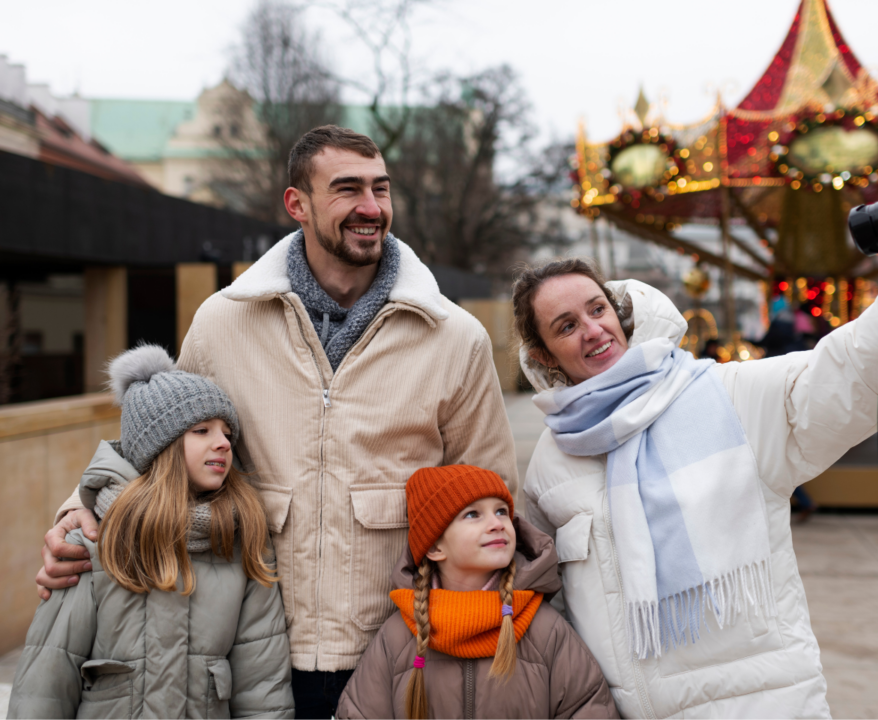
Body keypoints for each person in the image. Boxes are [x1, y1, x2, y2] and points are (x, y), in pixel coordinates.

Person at [36, 125, 517, 718]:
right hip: (249, 653)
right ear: (297, 204)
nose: (371, 208)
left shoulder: (455, 336)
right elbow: (157, 446)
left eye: (381, 189)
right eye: (347, 190)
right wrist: (79, 507)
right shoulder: (223, 320)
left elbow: (494, 490)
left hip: (400, 651)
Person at [511, 187, 878, 719]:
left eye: (597, 309)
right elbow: (549, 610)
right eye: (567, 326)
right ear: (543, 354)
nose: (593, 330)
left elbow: (848, 371)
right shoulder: (550, 460)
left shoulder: (728, 395)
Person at [9, 345, 293, 719]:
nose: (224, 442)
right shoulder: (94, 544)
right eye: (202, 430)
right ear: (162, 446)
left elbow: (262, 685)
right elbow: (45, 684)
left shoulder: (242, 541)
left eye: (226, 432)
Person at [336, 465, 619, 719]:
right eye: (472, 514)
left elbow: (588, 707)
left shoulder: (543, 628)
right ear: (434, 547)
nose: (497, 523)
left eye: (501, 511)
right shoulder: (398, 636)